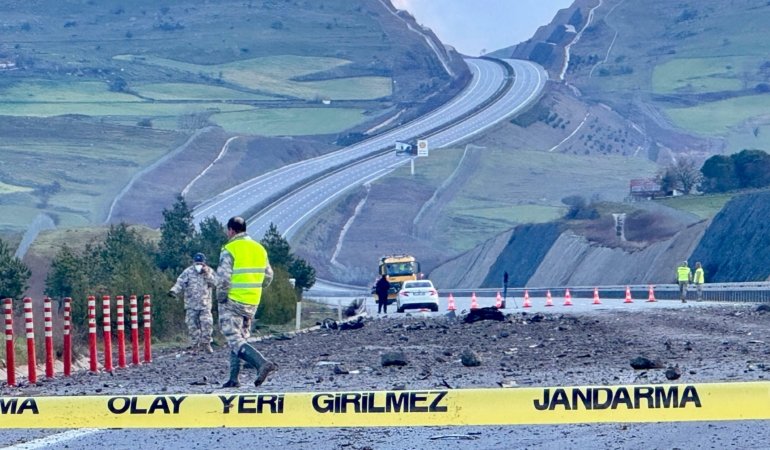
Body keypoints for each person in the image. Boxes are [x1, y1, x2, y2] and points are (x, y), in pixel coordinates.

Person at [217, 216, 276, 388]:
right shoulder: (259, 249)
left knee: (233, 337)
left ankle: (261, 363)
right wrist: (254, 287)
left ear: (231, 230)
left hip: (233, 299)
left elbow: (223, 279)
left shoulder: (230, 248)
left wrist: (221, 297)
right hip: (252, 301)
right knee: (240, 337)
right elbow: (268, 276)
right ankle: (234, 379)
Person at [168, 252, 217, 353]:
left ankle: (206, 344)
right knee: (192, 326)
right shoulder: (188, 272)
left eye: (201, 263)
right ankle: (195, 346)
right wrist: (173, 291)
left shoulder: (209, 271)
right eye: (197, 263)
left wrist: (206, 274)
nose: (199, 265)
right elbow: (180, 282)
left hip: (205, 304)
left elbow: (216, 283)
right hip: (191, 304)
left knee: (207, 324)